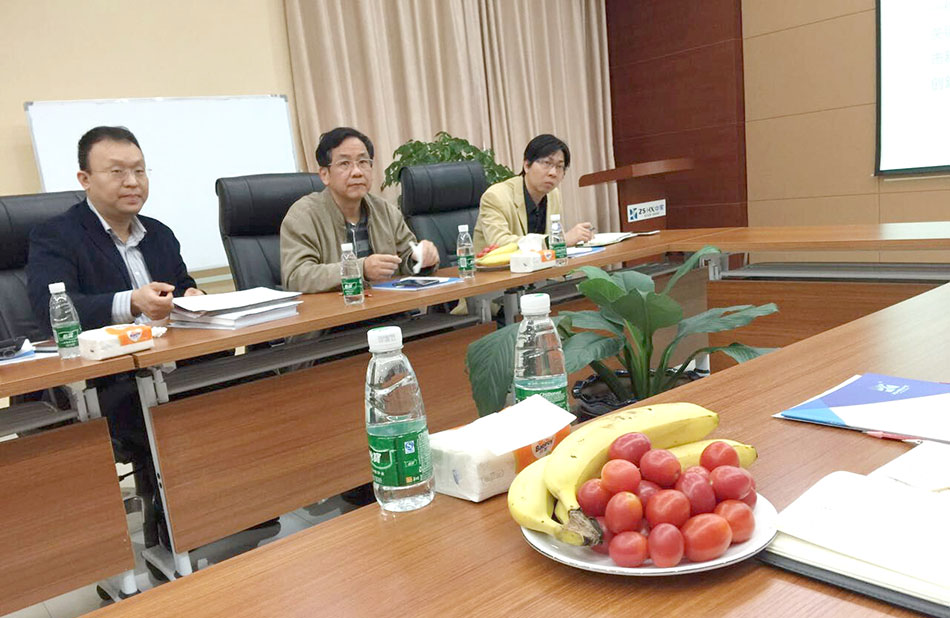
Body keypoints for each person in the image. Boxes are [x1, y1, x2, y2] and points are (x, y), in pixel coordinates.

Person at [26, 125, 206, 549]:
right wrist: (132, 303)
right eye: (117, 171)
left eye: (139, 170)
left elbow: (181, 285)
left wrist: (192, 296)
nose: (132, 182)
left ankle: (240, 511)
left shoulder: (159, 233)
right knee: (163, 416)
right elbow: (54, 309)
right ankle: (179, 529)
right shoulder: (56, 236)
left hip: (168, 365)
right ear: (84, 179)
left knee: (241, 387)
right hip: (104, 379)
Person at [280, 127, 440, 293]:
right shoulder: (303, 216)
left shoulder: (385, 210)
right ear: (325, 175)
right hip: (337, 309)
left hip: (388, 305)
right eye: (344, 163)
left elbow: (406, 256)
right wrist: (360, 269)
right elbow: (296, 277)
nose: (357, 172)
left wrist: (420, 259)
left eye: (363, 162)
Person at [473, 134, 594, 253]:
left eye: (559, 166)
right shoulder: (496, 196)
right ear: (527, 165)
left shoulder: (553, 195)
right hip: (501, 266)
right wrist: (555, 241)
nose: (553, 173)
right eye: (547, 163)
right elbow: (499, 244)